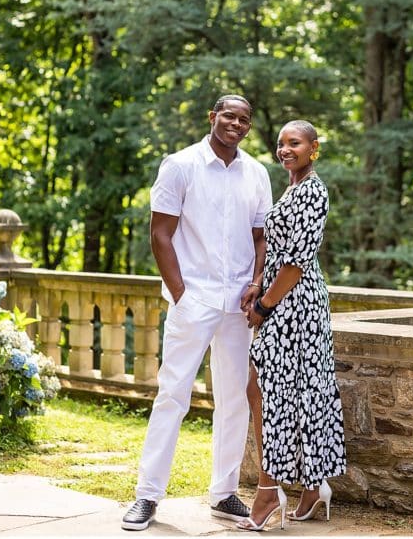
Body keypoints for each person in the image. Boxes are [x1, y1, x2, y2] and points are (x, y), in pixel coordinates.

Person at [122, 95, 273, 531]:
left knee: (234, 401)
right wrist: (182, 295)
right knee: (173, 396)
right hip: (195, 301)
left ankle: (224, 493)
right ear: (213, 117)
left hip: (238, 305)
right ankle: (147, 496)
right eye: (229, 115)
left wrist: (257, 282)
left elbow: (260, 236)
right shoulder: (180, 165)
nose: (237, 124)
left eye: (244, 119)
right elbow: (160, 235)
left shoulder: (257, 173)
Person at [235, 120, 347, 532]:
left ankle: (268, 491)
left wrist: (264, 305)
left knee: (266, 388)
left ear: (313, 148)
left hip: (297, 301)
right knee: (295, 389)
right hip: (286, 298)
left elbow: (298, 261)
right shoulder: (293, 188)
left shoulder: (314, 191)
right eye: (281, 143)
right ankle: (313, 486)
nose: (285, 150)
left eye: (294, 143)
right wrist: (258, 285)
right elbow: (278, 250)